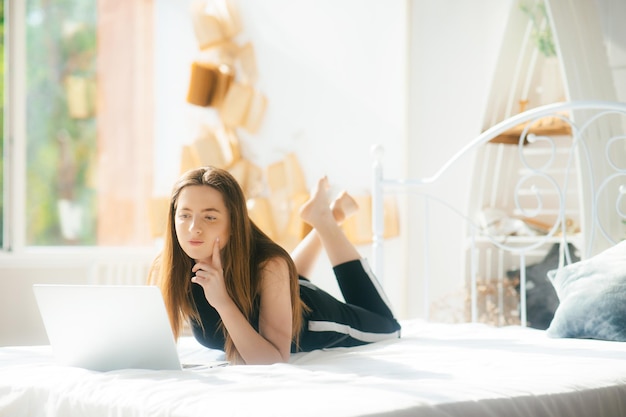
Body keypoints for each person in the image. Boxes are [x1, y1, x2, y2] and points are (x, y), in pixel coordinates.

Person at [149, 166, 401, 365]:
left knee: (388, 326)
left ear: (234, 222)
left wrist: (222, 301)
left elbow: (273, 359)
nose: (194, 228)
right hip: (279, 284)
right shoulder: (167, 267)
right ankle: (327, 216)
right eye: (184, 215)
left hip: (312, 314)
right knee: (277, 269)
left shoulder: (270, 267)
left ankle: (327, 221)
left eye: (210, 216)